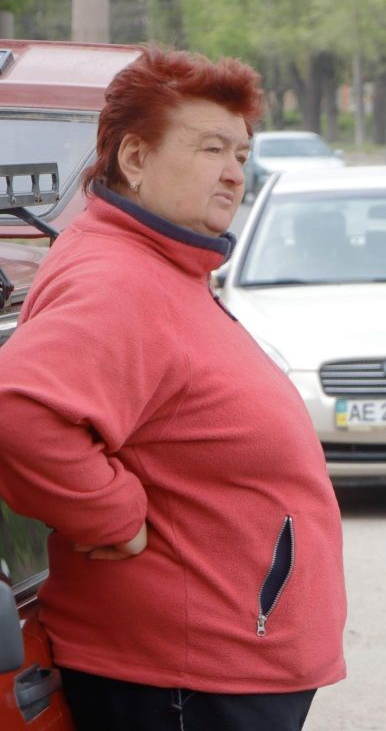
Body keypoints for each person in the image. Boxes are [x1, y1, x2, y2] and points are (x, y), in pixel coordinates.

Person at [0, 47, 346, 730]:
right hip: (183, 680)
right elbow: (18, 408)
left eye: (241, 154)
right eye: (211, 148)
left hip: (211, 670)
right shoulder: (118, 279)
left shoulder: (159, 263)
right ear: (135, 158)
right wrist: (113, 515)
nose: (234, 172)